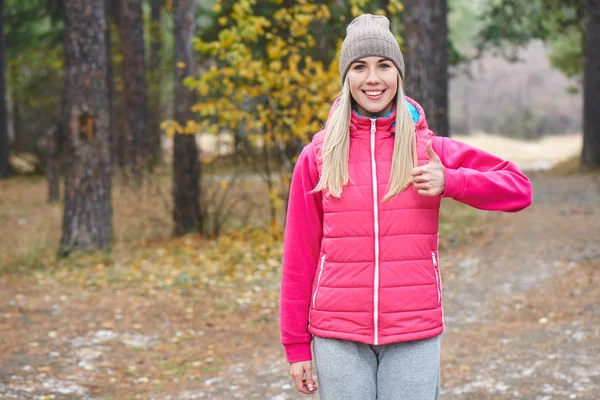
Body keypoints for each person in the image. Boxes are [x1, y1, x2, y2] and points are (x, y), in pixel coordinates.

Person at [279, 13, 532, 400]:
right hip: (338, 334)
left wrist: (452, 181)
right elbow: (299, 255)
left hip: (413, 329)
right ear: (346, 77)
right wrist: (296, 346)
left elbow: (519, 188)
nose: (373, 78)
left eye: (384, 65)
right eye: (360, 67)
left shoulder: (430, 149)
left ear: (398, 73)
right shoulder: (317, 156)